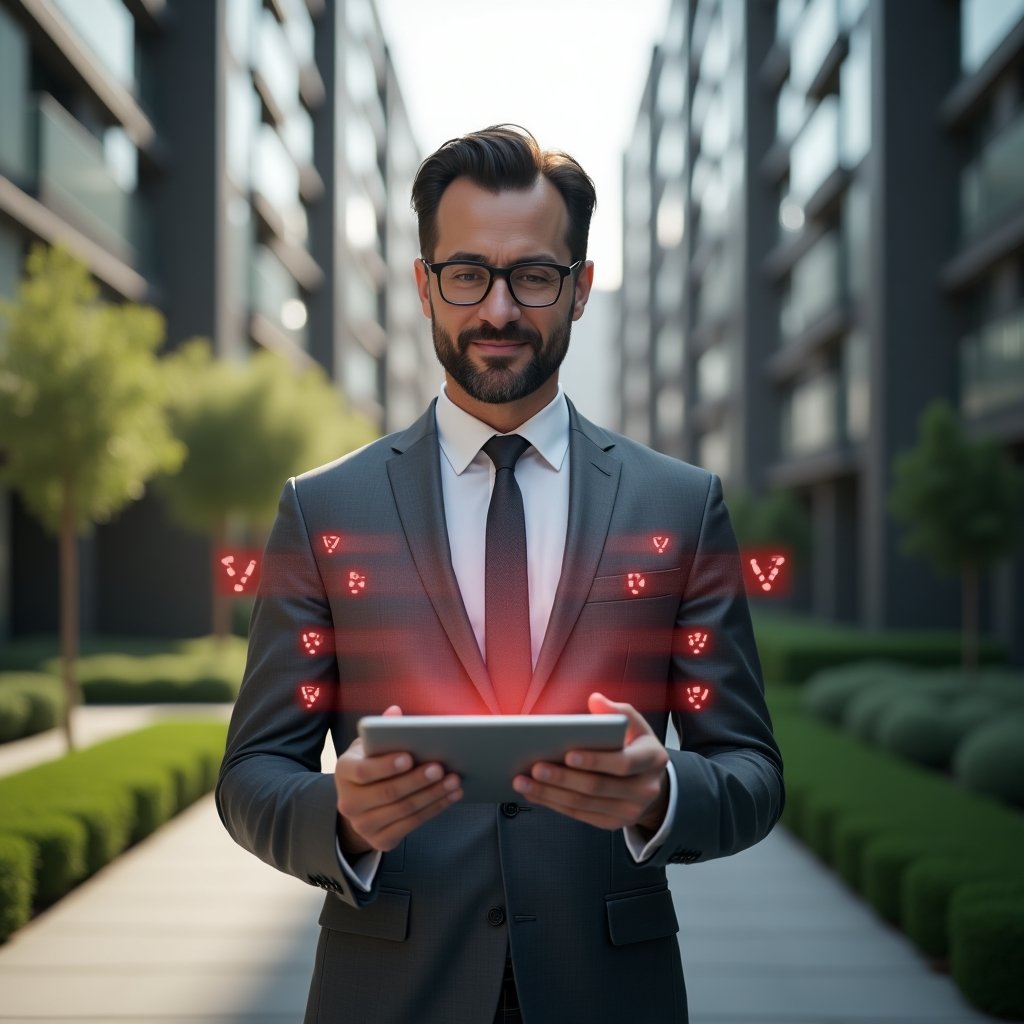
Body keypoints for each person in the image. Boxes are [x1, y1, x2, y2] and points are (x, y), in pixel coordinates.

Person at [216, 125, 783, 1024]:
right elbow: (251, 774)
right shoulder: (323, 511)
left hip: (611, 995)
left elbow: (751, 770)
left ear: (582, 288)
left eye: (534, 275)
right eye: (468, 273)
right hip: (390, 991)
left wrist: (662, 793)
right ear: (424, 285)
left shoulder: (681, 506)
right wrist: (345, 817)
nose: (499, 310)